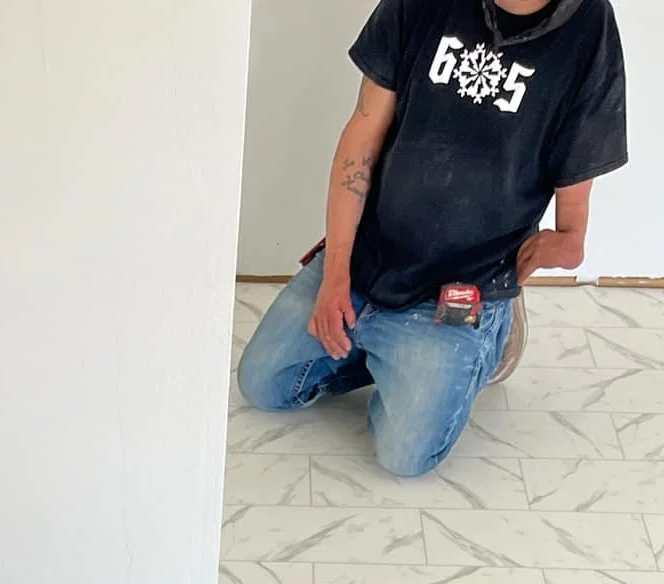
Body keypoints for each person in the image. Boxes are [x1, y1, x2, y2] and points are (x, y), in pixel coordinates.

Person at [236, 0, 628, 474]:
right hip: (371, 257)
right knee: (263, 382)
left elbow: (579, 170)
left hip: (462, 286)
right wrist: (336, 269)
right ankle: (387, 353)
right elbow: (363, 129)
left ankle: (492, 339)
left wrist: (565, 238)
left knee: (405, 456)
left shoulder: (588, 24)